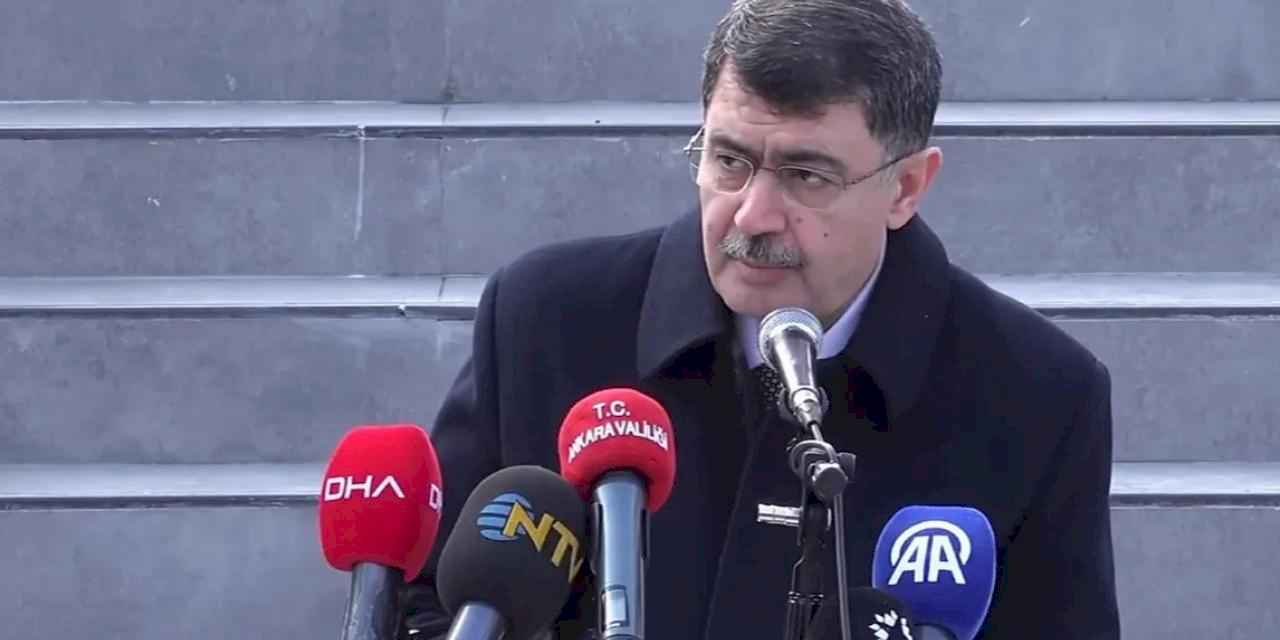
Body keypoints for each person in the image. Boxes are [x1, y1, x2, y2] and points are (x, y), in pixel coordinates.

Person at [400, 0, 1121, 638]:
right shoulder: (544, 321)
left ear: (906, 187)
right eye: (729, 161)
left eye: (807, 176)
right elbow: (422, 606)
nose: (752, 215)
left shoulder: (1038, 394)